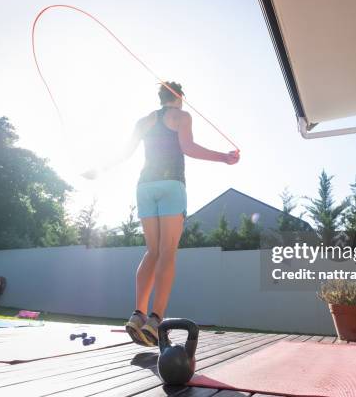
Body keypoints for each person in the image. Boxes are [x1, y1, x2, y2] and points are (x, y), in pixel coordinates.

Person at [83, 82, 239, 346]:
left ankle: (137, 315)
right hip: (171, 186)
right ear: (178, 97)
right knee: (168, 252)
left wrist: (98, 169)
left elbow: (124, 153)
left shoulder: (143, 120)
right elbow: (188, 148)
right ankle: (155, 321)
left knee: (152, 251)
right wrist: (224, 158)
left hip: (145, 186)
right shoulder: (182, 116)